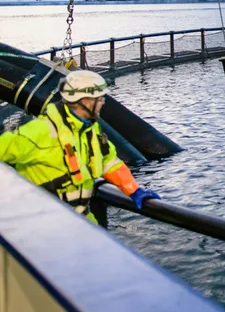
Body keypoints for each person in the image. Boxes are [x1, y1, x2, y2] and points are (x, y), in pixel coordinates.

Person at [0, 70, 159, 223]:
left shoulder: (91, 131)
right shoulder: (39, 131)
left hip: (80, 219)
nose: (102, 103)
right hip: (42, 226)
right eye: (99, 99)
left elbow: (109, 162)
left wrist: (134, 190)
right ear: (85, 102)